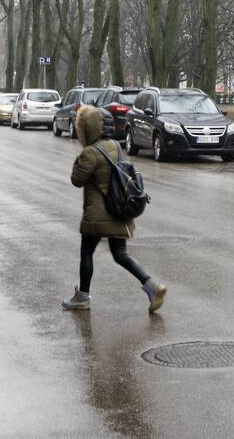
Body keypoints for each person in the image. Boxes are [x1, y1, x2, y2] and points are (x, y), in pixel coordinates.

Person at [63, 104, 166, 313]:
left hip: (97, 214)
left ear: (88, 129)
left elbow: (76, 179)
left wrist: (80, 156)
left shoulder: (90, 153)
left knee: (86, 252)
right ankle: (152, 287)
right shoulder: (115, 146)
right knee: (120, 254)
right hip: (118, 210)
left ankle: (82, 297)